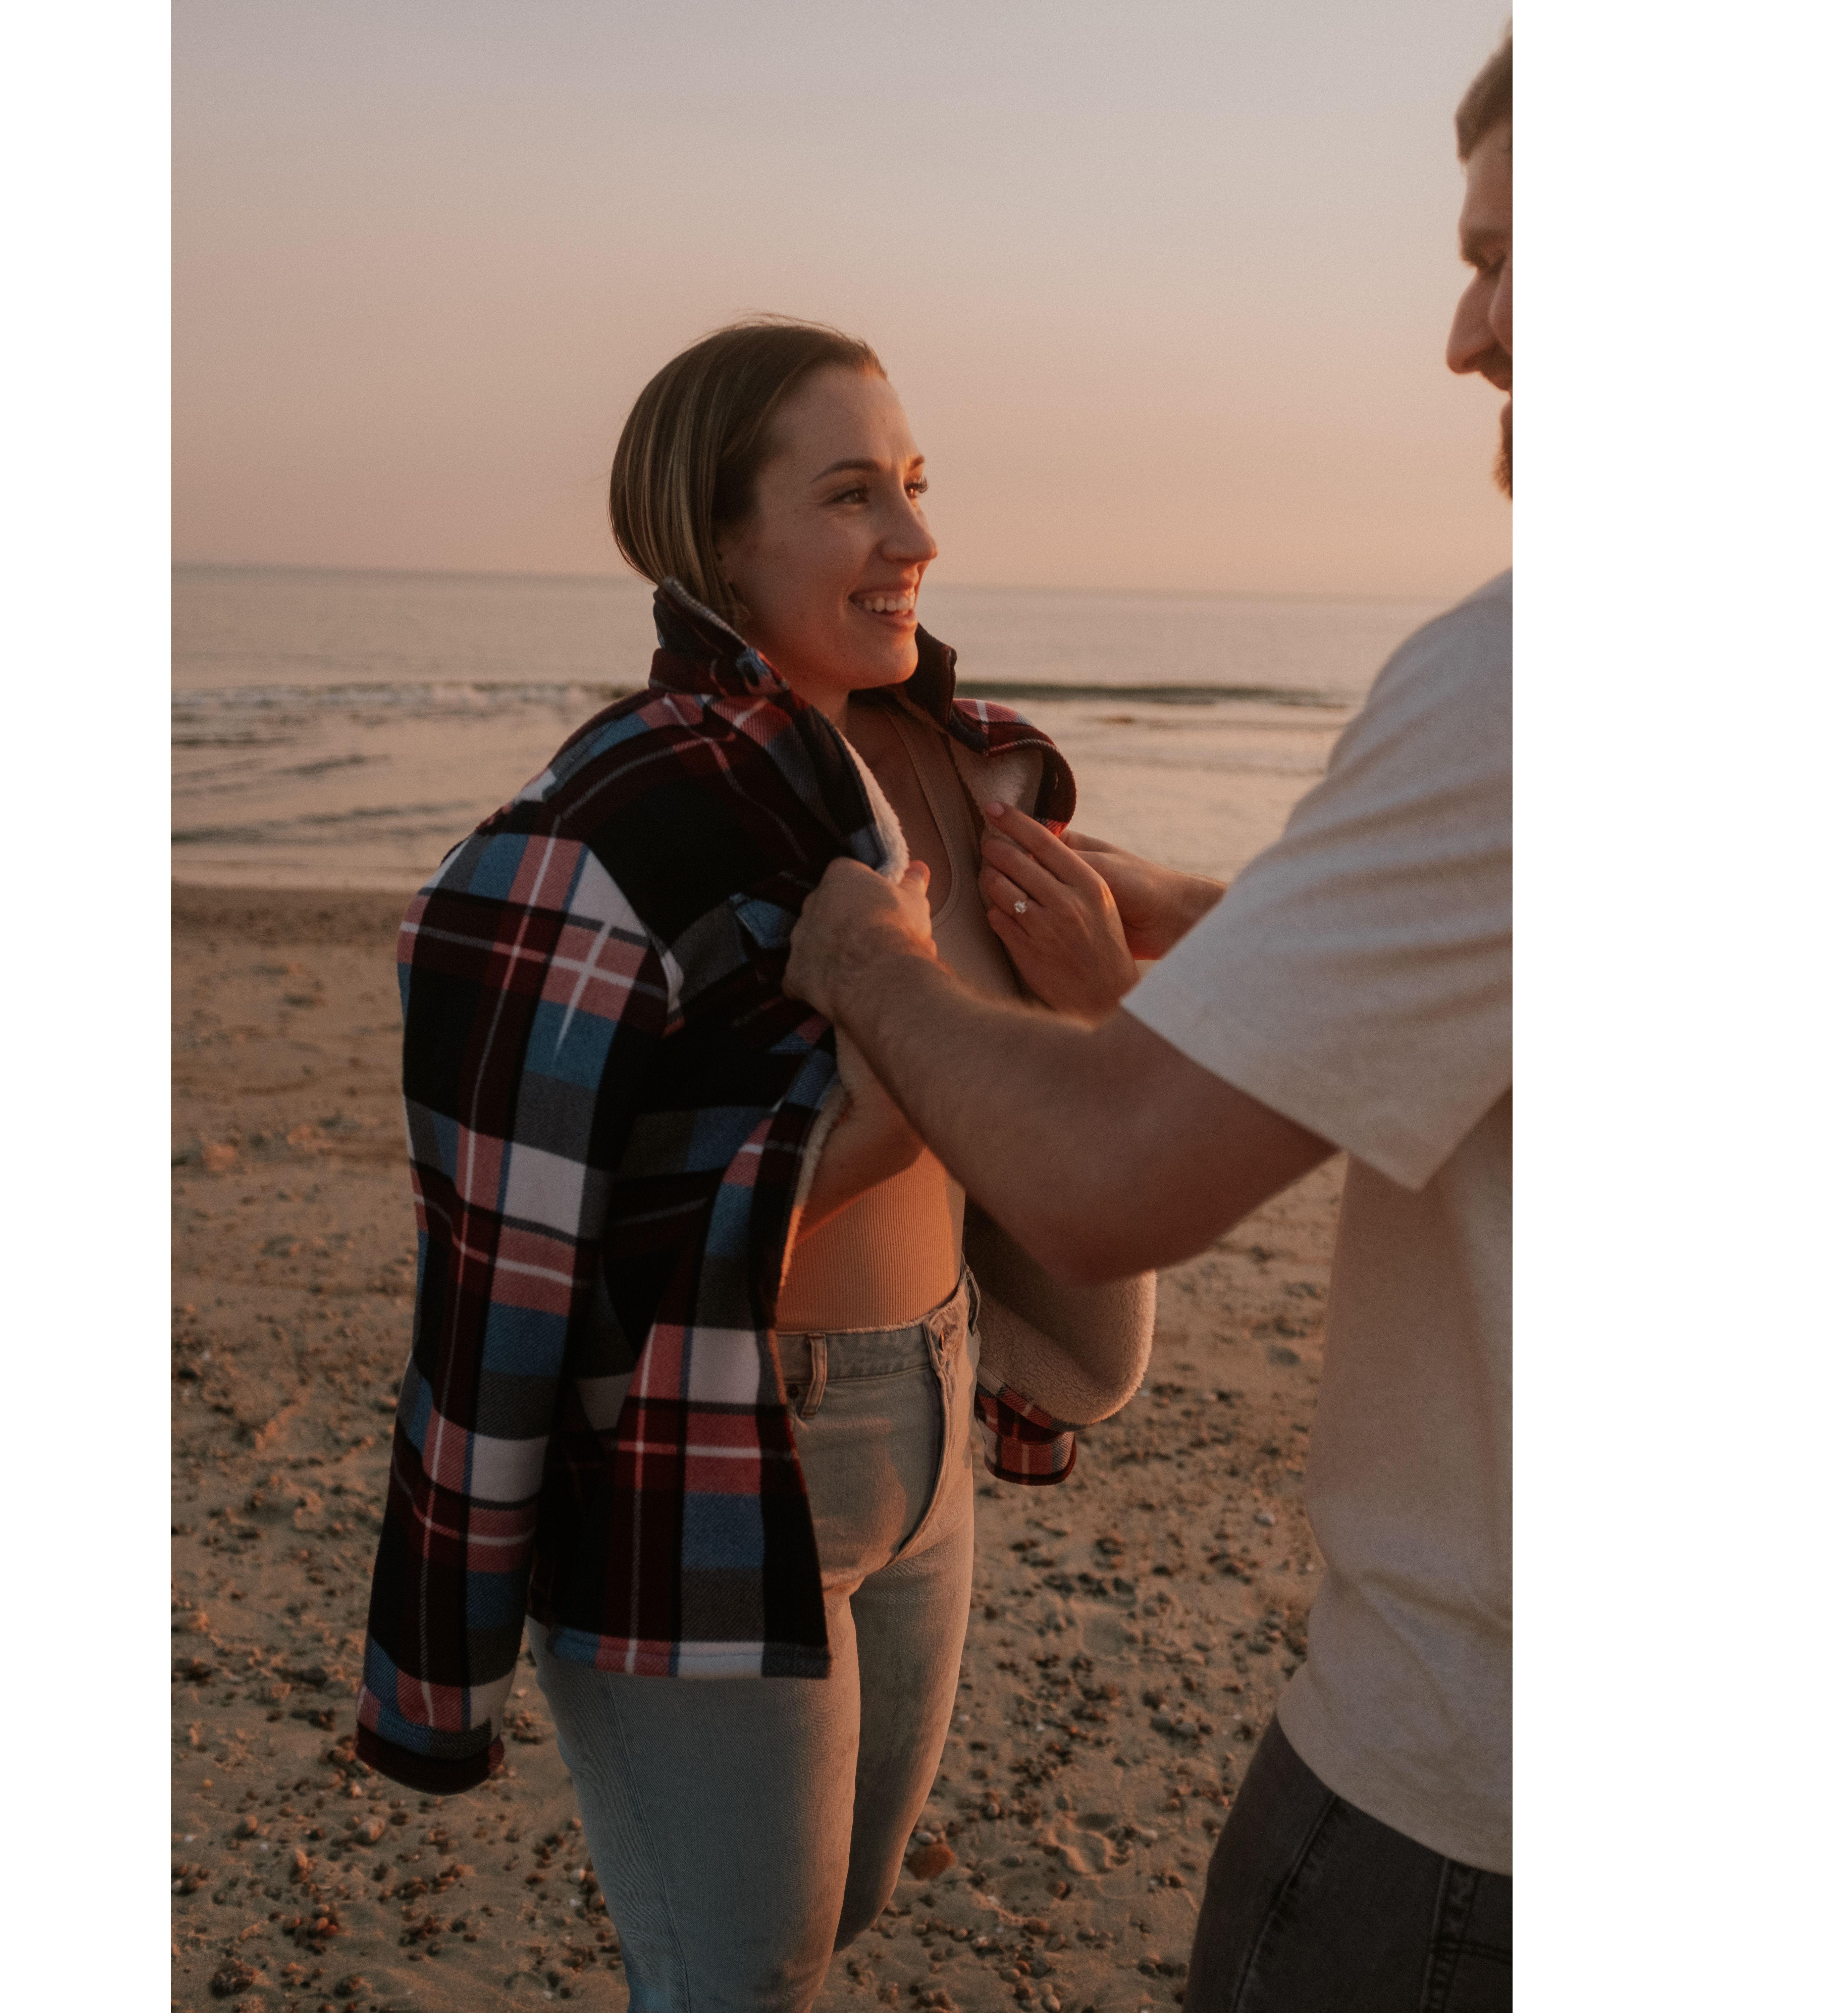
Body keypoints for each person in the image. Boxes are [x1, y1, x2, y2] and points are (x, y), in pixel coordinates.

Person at [785, 35, 1515, 2011]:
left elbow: (1112, 1177)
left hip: (1474, 1812)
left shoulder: (1526, 690)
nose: (1467, 336)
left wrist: (872, 966)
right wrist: (1213, 926)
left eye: (1509, 263)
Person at [352, 317, 1154, 2010]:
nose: (916, 537)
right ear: (719, 543)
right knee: (737, 1980)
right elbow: (592, 1253)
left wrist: (1093, 1005)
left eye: (915, 484)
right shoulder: (624, 818)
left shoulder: (966, 767)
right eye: (853, 494)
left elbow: (1193, 962)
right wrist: (897, 1088)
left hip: (928, 1404)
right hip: (724, 1441)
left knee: (839, 1909)